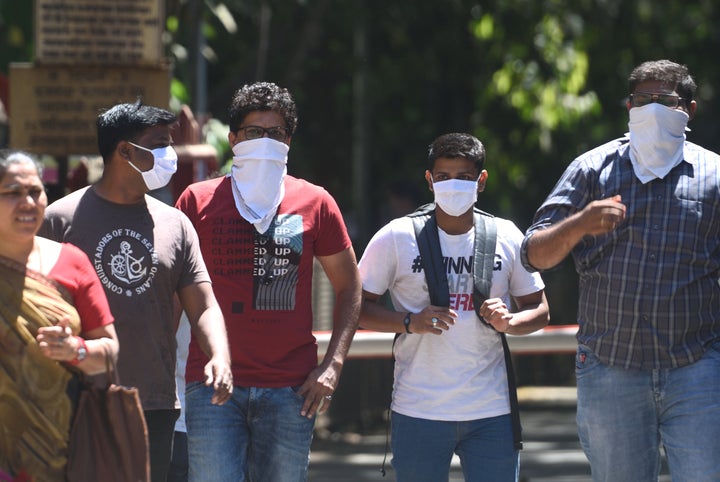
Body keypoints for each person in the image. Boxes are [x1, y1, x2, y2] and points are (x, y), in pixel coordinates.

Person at [522, 59, 720, 482]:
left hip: (696, 367)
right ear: (628, 107)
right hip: (610, 370)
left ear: (689, 109)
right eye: (641, 100)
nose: (650, 109)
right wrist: (579, 223)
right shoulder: (592, 170)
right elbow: (534, 255)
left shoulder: (715, 175)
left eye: (664, 100)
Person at [174, 81, 361, 482]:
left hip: (290, 390)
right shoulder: (196, 200)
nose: (264, 141)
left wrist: (333, 366)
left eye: (274, 133)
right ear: (232, 139)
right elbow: (173, 296)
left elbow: (350, 287)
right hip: (212, 384)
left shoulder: (315, 202)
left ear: (289, 141)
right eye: (253, 133)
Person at [39, 101, 234, 482]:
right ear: (125, 151)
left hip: (153, 402)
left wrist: (220, 356)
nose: (170, 155)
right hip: (76, 398)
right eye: (160, 144)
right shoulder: (59, 220)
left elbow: (204, 304)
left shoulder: (175, 225)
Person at [358, 133, 550, 482]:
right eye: (444, 176)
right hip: (418, 408)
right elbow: (356, 308)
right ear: (429, 180)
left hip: (492, 410)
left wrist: (511, 321)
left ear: (482, 180)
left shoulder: (506, 235)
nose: (453, 185)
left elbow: (539, 308)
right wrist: (409, 321)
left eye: (464, 176)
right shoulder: (396, 237)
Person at [0, 149, 118, 481]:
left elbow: (109, 352)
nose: (27, 201)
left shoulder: (71, 261)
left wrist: (75, 350)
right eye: (12, 192)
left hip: (60, 449)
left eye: (35, 191)